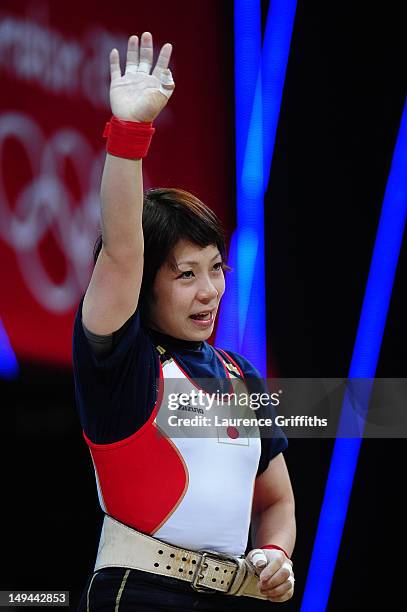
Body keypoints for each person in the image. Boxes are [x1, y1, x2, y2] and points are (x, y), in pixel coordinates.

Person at [73, 32, 296, 611]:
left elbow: (275, 502)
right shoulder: (121, 363)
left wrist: (276, 554)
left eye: (215, 269)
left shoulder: (243, 378)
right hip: (139, 595)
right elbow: (123, 251)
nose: (210, 292)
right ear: (145, 287)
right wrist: (129, 135)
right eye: (186, 275)